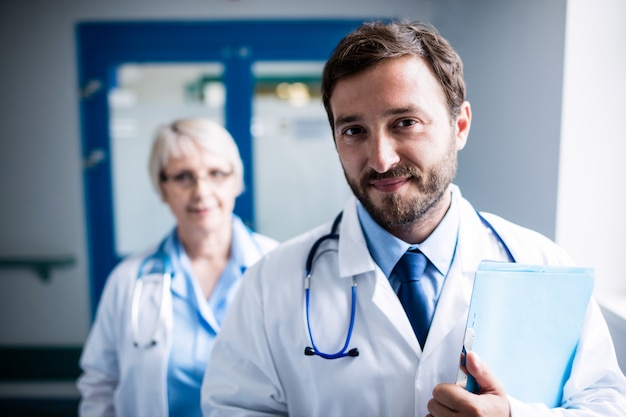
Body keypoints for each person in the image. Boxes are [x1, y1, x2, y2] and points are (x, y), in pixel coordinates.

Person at [200, 21, 626, 417]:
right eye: (353, 131)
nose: (381, 159)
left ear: (459, 126)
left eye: (405, 122)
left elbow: (605, 403)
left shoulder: (543, 265)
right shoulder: (271, 283)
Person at [76, 118, 278, 417]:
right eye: (184, 177)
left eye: (216, 173)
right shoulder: (129, 279)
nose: (201, 191)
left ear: (237, 181)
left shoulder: (281, 267)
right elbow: (100, 383)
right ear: (162, 187)